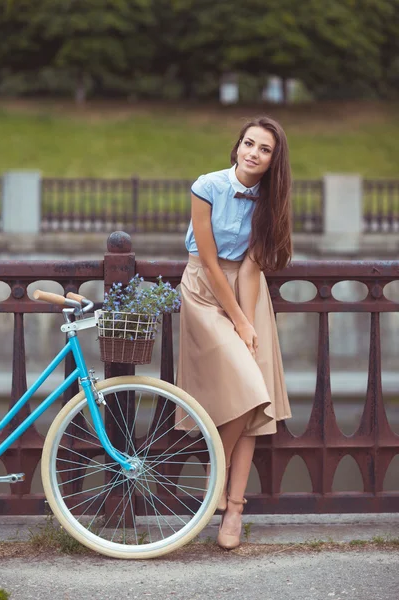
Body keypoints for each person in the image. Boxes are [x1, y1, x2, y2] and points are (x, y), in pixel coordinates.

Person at [176, 116, 292, 549]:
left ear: (273, 161)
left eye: (264, 150)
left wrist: (249, 319)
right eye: (249, 144)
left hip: (247, 291)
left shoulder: (270, 200)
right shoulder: (207, 186)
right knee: (246, 386)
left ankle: (233, 507)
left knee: (253, 397)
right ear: (237, 146)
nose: (253, 153)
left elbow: (249, 266)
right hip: (204, 292)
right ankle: (216, 486)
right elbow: (208, 260)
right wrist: (238, 322)